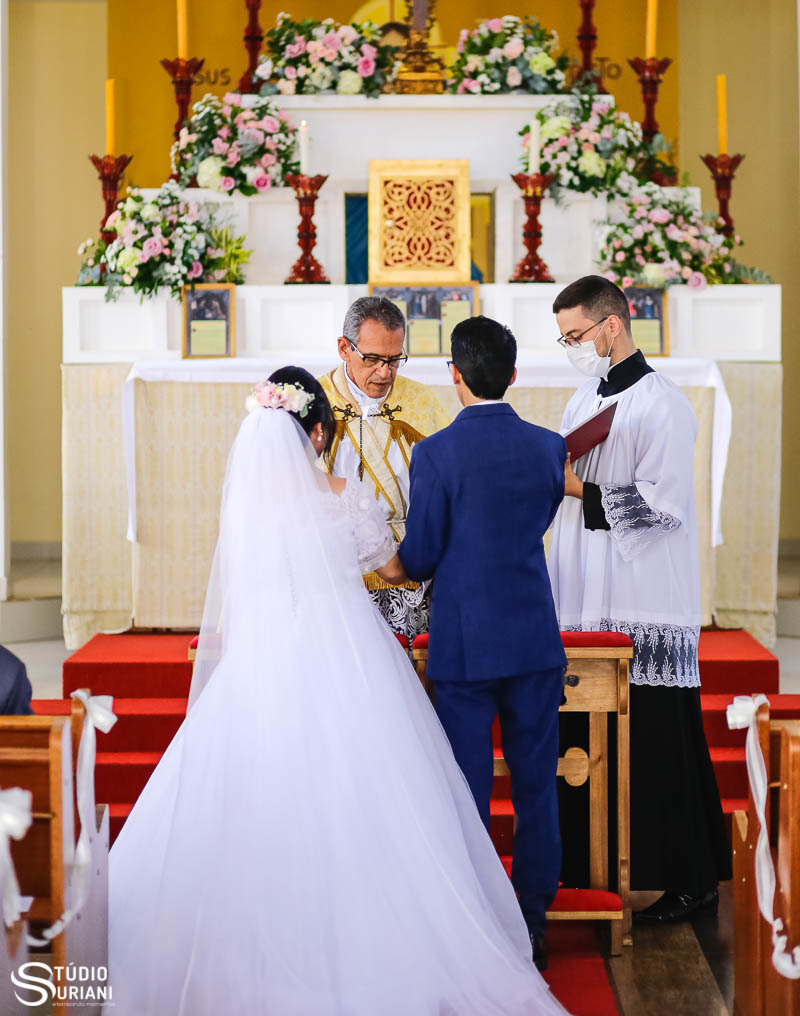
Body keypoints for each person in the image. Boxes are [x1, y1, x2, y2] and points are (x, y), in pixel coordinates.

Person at [106, 366, 568, 1015]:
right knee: (379, 790)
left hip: (261, 665)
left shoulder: (245, 510)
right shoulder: (344, 496)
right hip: (349, 656)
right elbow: (396, 568)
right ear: (319, 432)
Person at [547, 275, 731, 923]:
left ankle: (689, 879)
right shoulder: (583, 399)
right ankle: (587, 867)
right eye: (564, 338)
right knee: (584, 740)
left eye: (576, 335)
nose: (572, 347)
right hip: (586, 593)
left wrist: (572, 486)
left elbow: (662, 507)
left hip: (642, 594)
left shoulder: (663, 404)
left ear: (611, 326)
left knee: (657, 739)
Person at [399, 317, 567, 971]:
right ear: (514, 374)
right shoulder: (549, 448)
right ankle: (533, 919)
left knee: (466, 789)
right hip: (532, 636)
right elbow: (537, 520)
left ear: (455, 375)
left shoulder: (435, 454)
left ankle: (474, 918)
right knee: (536, 786)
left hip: (465, 641)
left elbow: (420, 558)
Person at [319, 296, 449, 639]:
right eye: (373, 359)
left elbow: (447, 482)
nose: (385, 372)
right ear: (344, 348)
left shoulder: (421, 401)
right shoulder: (316, 402)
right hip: (337, 564)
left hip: (409, 561)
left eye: (394, 360)